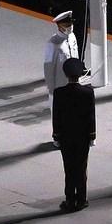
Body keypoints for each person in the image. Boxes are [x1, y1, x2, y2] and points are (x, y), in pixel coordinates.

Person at [52, 58, 96, 212]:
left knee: (69, 169)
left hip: (66, 137)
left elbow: (56, 117)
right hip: (83, 137)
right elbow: (91, 116)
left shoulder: (59, 93)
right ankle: (82, 199)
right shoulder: (88, 92)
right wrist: (92, 135)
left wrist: (56, 136)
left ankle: (70, 199)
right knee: (81, 168)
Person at [44, 11, 79, 142]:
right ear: (59, 26)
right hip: (59, 85)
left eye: (71, 23)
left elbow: (76, 57)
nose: (70, 26)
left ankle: (70, 134)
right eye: (67, 24)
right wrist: (51, 88)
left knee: (72, 112)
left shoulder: (72, 37)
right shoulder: (53, 43)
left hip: (72, 83)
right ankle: (57, 139)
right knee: (58, 114)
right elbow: (48, 67)